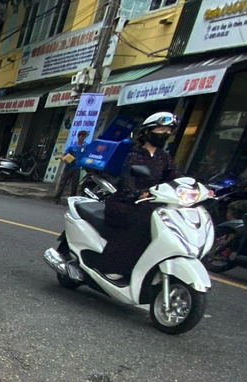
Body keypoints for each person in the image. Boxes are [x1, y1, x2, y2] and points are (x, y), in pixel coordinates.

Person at [99, 112, 181, 276]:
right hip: (126, 203)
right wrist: (138, 194)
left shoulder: (164, 157)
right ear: (148, 132)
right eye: (160, 129)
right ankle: (113, 267)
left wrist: (198, 188)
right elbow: (127, 182)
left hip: (153, 204)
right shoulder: (134, 155)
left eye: (167, 130)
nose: (164, 133)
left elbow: (176, 177)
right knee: (141, 223)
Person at [53, 130, 89, 201]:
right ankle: (57, 198)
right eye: (81, 136)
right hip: (69, 167)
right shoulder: (72, 146)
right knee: (63, 183)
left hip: (77, 168)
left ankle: (72, 199)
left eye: (84, 136)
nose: (82, 138)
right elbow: (63, 156)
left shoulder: (85, 146)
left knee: (74, 184)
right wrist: (65, 160)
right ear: (78, 136)